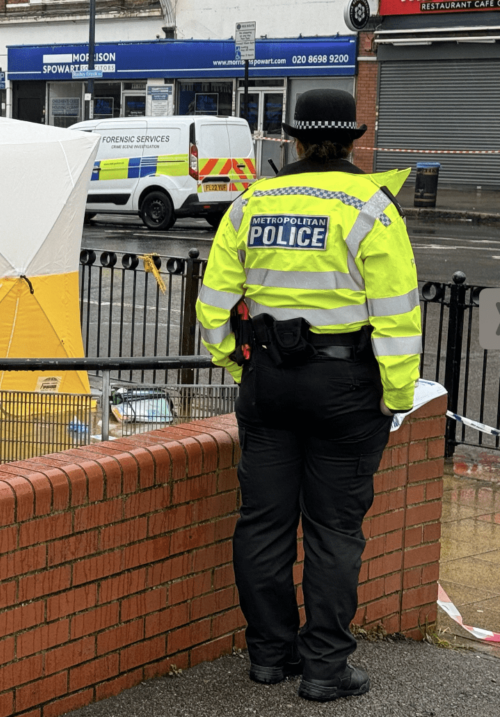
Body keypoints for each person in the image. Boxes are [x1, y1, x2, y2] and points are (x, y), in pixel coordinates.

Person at [196, 89, 421, 702]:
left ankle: (270, 655)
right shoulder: (371, 206)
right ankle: (325, 668)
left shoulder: (251, 201)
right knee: (333, 531)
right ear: (353, 141)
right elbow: (397, 314)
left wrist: (234, 363)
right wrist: (396, 392)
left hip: (269, 381)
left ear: (294, 140)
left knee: (263, 523)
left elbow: (213, 303)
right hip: (346, 388)